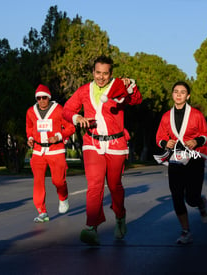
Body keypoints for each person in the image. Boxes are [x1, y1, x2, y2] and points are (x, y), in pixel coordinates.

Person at [63, 55, 142, 246]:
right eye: (98, 73)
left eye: (105, 74)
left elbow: (135, 100)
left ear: (111, 74)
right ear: (93, 72)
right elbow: (66, 110)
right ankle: (91, 227)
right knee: (95, 185)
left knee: (114, 186)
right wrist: (76, 118)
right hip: (92, 143)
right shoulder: (83, 91)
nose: (101, 77)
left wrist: (131, 85)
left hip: (116, 145)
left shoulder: (118, 87)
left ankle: (120, 216)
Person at [155, 81, 207, 245]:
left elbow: (206, 135)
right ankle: (186, 231)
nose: (178, 94)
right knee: (177, 197)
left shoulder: (196, 115)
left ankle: (200, 203)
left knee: (191, 198)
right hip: (175, 160)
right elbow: (159, 138)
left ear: (188, 96)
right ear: (172, 94)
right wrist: (166, 144)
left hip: (194, 158)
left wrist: (197, 141)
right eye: (176, 91)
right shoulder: (166, 116)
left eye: (182, 92)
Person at [26, 84, 76, 223]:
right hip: (38, 151)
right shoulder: (30, 111)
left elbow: (71, 127)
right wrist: (30, 138)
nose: (41, 100)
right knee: (38, 182)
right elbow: (29, 127)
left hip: (56, 150)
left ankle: (63, 197)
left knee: (58, 181)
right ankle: (42, 212)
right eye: (38, 98)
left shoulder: (59, 110)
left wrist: (58, 136)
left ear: (49, 97)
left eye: (44, 97)